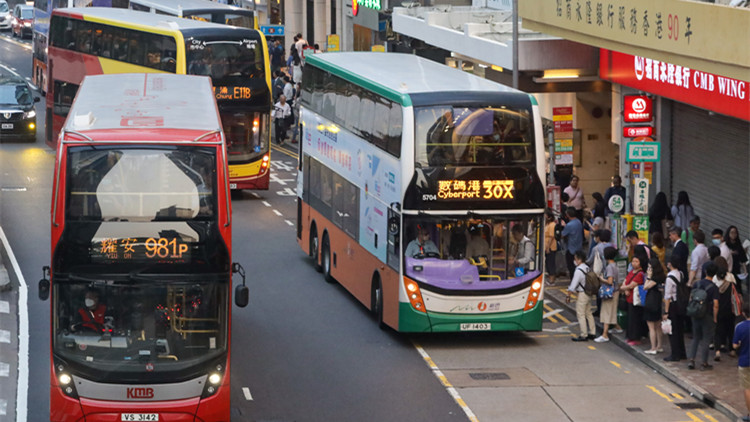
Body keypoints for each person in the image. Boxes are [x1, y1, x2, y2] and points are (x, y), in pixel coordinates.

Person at [687, 262, 720, 371]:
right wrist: (715, 317)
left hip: (696, 313)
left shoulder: (697, 284)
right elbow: (715, 304)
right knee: (706, 339)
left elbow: (691, 298)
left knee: (696, 337)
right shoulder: (714, 287)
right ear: (715, 274)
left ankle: (691, 360)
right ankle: (704, 362)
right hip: (707, 315)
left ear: (705, 271)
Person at [595, 246, 623, 342]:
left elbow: (610, 281)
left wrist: (601, 278)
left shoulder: (609, 267)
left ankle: (605, 334)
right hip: (616, 291)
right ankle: (617, 327)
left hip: (609, 292)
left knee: (606, 312)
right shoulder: (615, 266)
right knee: (612, 311)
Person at [713, 256, 738, 362]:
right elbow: (735, 292)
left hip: (719, 307)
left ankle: (718, 350)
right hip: (730, 307)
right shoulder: (731, 277)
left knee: (718, 329)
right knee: (730, 328)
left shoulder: (714, 279)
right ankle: (732, 349)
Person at [663, 255, 688, 361]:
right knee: (680, 329)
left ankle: (675, 354)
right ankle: (682, 352)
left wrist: (666, 311)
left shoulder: (669, 277)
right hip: (681, 304)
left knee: (672, 330)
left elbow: (667, 296)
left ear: (670, 264)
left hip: (673, 305)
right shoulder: (681, 274)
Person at [567, 250, 595, 342]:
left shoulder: (578, 270)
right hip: (588, 293)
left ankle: (584, 334)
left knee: (581, 314)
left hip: (582, 293)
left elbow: (573, 284)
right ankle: (592, 332)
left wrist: (568, 295)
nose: (574, 261)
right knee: (589, 313)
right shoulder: (587, 268)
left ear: (579, 260)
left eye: (575, 259)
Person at [622, 253, 647, 345]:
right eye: (633, 261)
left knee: (635, 319)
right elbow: (625, 282)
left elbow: (632, 284)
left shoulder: (640, 274)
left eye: (636, 261)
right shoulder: (631, 272)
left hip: (635, 300)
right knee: (630, 319)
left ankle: (636, 338)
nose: (634, 263)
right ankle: (630, 336)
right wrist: (625, 289)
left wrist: (624, 288)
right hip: (629, 298)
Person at [731, 302, 750, 422]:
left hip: (745, 360)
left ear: (743, 313)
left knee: (747, 388)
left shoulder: (740, 326)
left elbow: (734, 345)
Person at [643, 257, 666, 355]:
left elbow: (645, 287)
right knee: (658, 326)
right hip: (658, 302)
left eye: (650, 268)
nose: (648, 270)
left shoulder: (654, 279)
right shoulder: (662, 277)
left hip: (651, 302)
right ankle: (659, 346)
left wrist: (648, 277)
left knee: (651, 327)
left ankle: (653, 347)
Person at [561, 207, 583, 279]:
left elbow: (562, 234)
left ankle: (573, 281)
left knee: (571, 266)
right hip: (578, 247)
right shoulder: (578, 222)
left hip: (571, 248)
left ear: (568, 215)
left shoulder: (569, 225)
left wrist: (564, 226)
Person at [726, 225, 749, 292]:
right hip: (728, 269)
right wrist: (729, 253)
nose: (733, 234)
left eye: (735, 233)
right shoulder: (726, 244)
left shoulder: (738, 244)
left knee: (737, 287)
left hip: (736, 269)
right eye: (732, 232)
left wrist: (745, 271)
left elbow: (743, 259)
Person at [544, 210, 558, 286]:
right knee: (547, 263)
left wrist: (548, 247)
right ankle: (550, 278)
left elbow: (551, 237)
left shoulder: (552, 225)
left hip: (550, 247)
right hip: (545, 246)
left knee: (551, 263)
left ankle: (552, 279)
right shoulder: (546, 224)